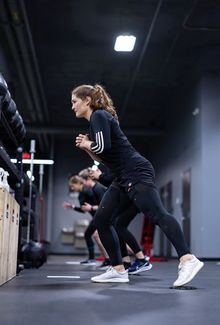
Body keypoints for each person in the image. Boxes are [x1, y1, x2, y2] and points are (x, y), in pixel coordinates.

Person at [71, 84, 204, 285]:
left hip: (135, 170)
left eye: (74, 102)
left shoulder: (98, 116)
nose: (72, 107)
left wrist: (89, 144)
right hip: (122, 176)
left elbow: (102, 146)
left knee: (157, 214)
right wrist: (87, 148)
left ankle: (188, 259)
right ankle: (118, 270)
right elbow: (105, 156)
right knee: (103, 219)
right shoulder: (95, 123)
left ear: (87, 100)